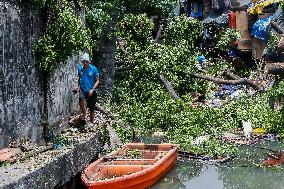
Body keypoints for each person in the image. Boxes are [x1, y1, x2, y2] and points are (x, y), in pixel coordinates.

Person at [74, 52, 99, 124]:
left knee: (91, 108)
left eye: (86, 62)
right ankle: (84, 113)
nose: (85, 63)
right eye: (83, 62)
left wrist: (92, 90)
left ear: (89, 62)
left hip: (91, 90)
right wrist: (77, 87)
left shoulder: (94, 69)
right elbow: (79, 77)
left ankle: (91, 122)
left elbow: (97, 80)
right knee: (81, 101)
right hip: (83, 89)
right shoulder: (80, 68)